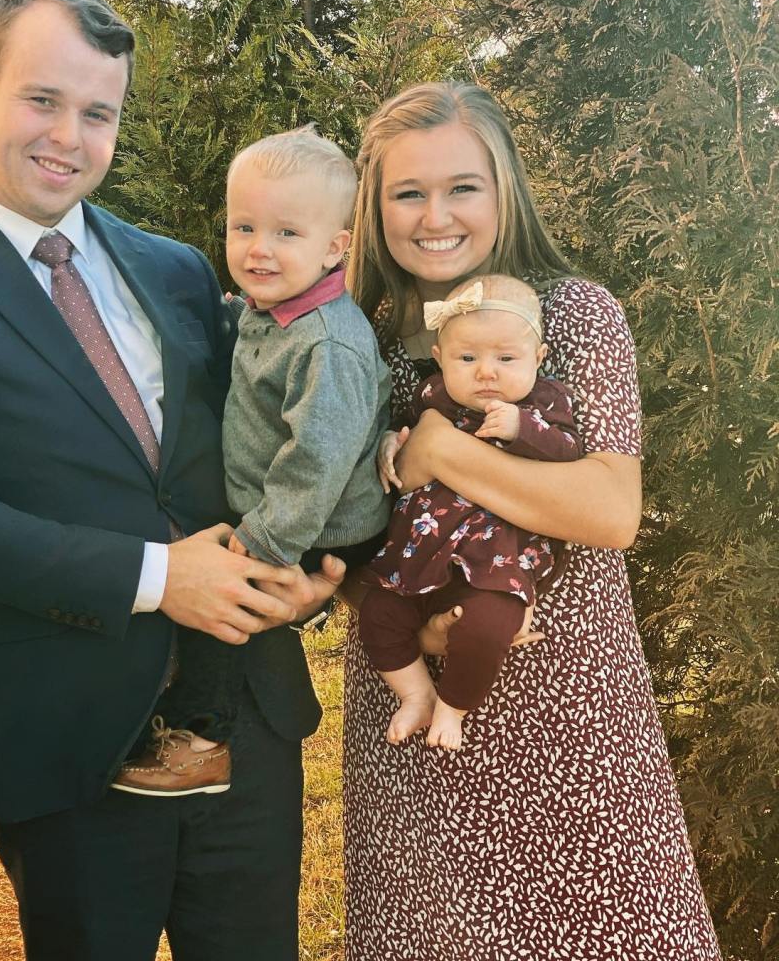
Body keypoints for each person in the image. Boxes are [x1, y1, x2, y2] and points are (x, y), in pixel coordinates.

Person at [0, 0, 341, 961]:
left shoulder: (176, 268)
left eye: (97, 112)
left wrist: (306, 572)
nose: (69, 134)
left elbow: (253, 445)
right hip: (72, 742)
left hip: (248, 722)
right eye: (42, 100)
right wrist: (161, 577)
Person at [342, 82, 721, 959]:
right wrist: (392, 605)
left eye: (462, 187)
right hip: (413, 712)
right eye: (408, 192)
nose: (436, 215)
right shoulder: (355, 337)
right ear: (375, 205)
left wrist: (442, 453)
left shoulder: (574, 314)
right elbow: (345, 529)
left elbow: (610, 510)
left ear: (504, 186)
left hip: (567, 712)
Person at [112, 126, 390, 796]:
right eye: (244, 227)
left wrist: (260, 542)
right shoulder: (278, 311)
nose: (259, 248)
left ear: (335, 247)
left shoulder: (331, 346)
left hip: (325, 522)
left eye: (286, 234)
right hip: (295, 510)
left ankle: (201, 738)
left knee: (222, 603)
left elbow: (316, 459)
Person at [363, 273, 581, 749]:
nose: (487, 373)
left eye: (506, 359)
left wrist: (524, 429)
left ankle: (453, 707)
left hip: (497, 566)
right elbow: (404, 437)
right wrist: (387, 444)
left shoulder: (545, 403)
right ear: (439, 360)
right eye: (467, 358)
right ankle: (416, 694)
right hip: (419, 557)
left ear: (538, 360)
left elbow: (570, 455)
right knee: (378, 613)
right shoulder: (430, 397)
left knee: (488, 628)